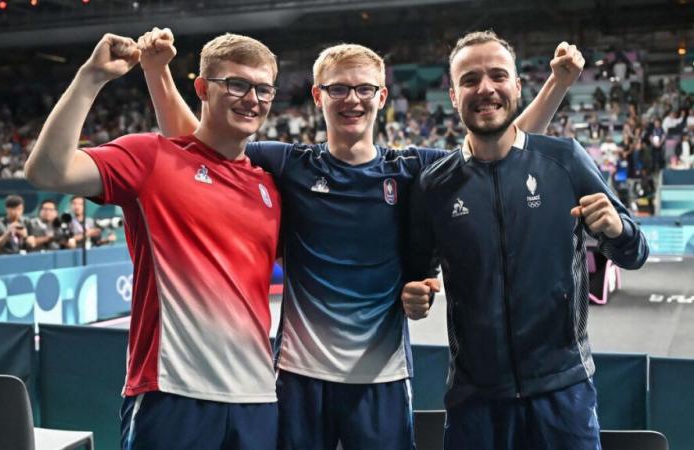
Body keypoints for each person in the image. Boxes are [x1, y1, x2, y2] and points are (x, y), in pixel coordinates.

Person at [139, 27, 584, 450]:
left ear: (381, 96)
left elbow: (503, 147)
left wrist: (557, 85)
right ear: (318, 96)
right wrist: (157, 72)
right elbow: (197, 142)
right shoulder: (290, 164)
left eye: (364, 89)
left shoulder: (412, 169)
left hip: (384, 380)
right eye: (338, 89)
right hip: (299, 376)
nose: (352, 99)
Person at [24, 32, 282, 450]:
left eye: (263, 88)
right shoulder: (151, 159)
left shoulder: (271, 186)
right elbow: (48, 172)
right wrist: (90, 78)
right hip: (170, 394)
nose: (251, 98)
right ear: (201, 88)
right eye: (236, 84)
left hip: (258, 400)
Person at [402, 30, 649, 450]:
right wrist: (413, 295)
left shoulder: (564, 159)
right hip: (474, 400)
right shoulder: (435, 186)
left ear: (517, 86)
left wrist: (618, 229)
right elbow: (416, 274)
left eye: (498, 76)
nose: (485, 89)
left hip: (563, 392)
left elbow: (634, 252)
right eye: (470, 79)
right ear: (453, 92)